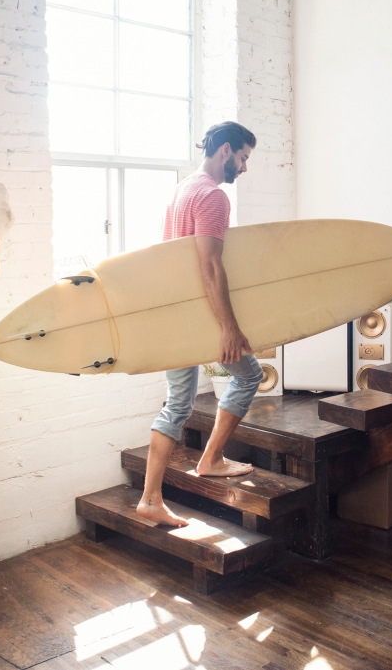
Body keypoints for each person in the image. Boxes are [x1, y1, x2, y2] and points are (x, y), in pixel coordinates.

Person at [136, 121, 263, 527]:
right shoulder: (212, 196)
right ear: (225, 151)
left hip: (176, 316)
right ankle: (211, 459)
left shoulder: (182, 190)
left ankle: (151, 498)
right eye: (242, 158)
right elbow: (209, 265)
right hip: (203, 316)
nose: (244, 167)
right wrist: (228, 327)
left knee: (177, 403)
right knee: (249, 375)